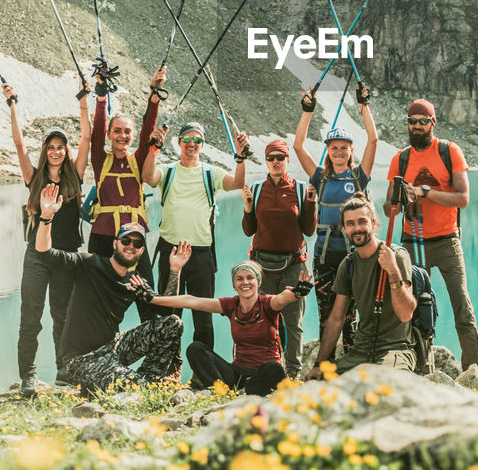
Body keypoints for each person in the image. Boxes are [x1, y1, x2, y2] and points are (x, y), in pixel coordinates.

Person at [34, 188, 183, 393]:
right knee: (139, 388)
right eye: (126, 241)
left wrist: (175, 270)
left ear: (141, 250)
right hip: (80, 360)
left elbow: (167, 311)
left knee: (173, 324)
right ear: (115, 243)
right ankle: (143, 386)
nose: (130, 246)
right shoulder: (88, 263)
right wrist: (46, 217)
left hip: (112, 350)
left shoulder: (134, 281)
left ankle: (149, 381)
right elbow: (45, 253)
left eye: (137, 243)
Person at [2, 78, 91, 398]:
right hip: (37, 254)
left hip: (67, 254)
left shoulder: (75, 176)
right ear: (46, 151)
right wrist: (13, 105)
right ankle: (28, 375)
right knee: (31, 316)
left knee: (63, 316)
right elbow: (18, 144)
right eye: (50, 147)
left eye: (59, 147)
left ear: (65, 151)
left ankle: (63, 370)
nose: (55, 151)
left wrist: (83, 100)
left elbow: (86, 139)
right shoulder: (33, 177)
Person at [383, 98, 478, 371]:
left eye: (422, 121)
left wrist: (426, 192)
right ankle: (419, 368)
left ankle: (475, 372)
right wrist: (400, 196)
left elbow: (462, 198)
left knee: (462, 307)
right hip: (411, 244)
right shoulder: (400, 159)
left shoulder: (450, 152)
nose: (417, 126)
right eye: (412, 122)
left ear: (433, 123)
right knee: (412, 308)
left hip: (447, 240)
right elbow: (387, 208)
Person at [141, 121, 248, 355]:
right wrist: (152, 150)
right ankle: (166, 367)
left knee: (203, 317)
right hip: (171, 252)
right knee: (169, 314)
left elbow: (238, 183)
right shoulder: (168, 170)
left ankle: (203, 372)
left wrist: (241, 158)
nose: (192, 144)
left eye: (197, 140)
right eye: (187, 139)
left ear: (202, 144)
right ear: (179, 142)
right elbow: (148, 176)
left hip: (201, 254)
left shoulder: (212, 173)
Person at [151, 246, 312, 396]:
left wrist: (296, 294)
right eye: (239, 279)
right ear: (234, 285)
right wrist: (153, 300)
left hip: (264, 372)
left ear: (258, 282)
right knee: (195, 349)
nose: (245, 283)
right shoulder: (230, 305)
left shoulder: (268, 303)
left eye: (250, 278)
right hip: (238, 372)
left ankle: (240, 393)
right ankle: (225, 392)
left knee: (275, 369)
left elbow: (282, 298)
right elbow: (192, 301)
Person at [293, 81, 377, 357]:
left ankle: (354, 361)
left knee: (353, 315)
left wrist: (364, 106)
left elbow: (373, 140)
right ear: (328, 150)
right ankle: (325, 363)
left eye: (344, 147)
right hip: (325, 258)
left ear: (351, 150)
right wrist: (308, 111)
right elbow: (297, 145)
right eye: (334, 148)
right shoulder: (321, 177)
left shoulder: (358, 176)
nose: (339, 152)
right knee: (326, 314)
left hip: (354, 257)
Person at [86, 63, 166, 317]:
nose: (122, 135)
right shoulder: (101, 160)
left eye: (127, 131)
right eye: (117, 131)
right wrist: (101, 95)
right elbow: (96, 131)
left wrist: (154, 93)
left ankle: (156, 348)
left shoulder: (138, 159)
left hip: (134, 239)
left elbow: (147, 130)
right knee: (99, 301)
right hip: (102, 237)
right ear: (110, 134)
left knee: (147, 297)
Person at [305, 196, 416, 377]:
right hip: (360, 353)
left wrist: (393, 271)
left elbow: (406, 314)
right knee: (319, 385)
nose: (357, 228)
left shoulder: (396, 255)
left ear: (373, 223)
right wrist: (319, 364)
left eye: (362, 221)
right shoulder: (348, 265)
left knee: (384, 384)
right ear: (344, 228)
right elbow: (336, 318)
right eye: (350, 223)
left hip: (395, 350)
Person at [240, 139, 317, 377]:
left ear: (287, 160)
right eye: (271, 158)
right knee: (263, 321)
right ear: (265, 161)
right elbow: (248, 230)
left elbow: (309, 229)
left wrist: (311, 204)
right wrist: (247, 208)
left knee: (293, 322)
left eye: (280, 157)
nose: (275, 162)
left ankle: (293, 372)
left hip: (293, 264)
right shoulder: (256, 190)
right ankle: (264, 369)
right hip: (262, 265)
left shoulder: (300, 189)